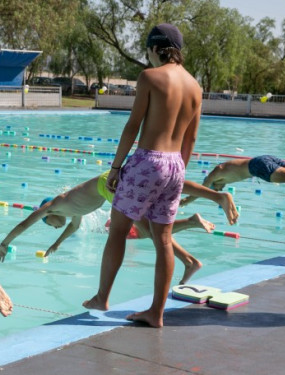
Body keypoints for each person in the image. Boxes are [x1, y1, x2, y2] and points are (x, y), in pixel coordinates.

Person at [81, 23, 201, 328]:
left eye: (147, 51)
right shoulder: (195, 87)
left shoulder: (150, 77)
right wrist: (178, 176)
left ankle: (102, 297)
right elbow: (191, 139)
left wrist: (116, 167)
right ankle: (156, 312)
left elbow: (133, 126)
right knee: (163, 239)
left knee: (118, 230)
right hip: (176, 164)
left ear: (156, 48)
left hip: (148, 160)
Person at [0, 170, 238, 284]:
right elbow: (74, 227)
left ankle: (189, 260)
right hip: (108, 186)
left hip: (108, 187)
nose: (54, 227)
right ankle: (213, 202)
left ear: (48, 215)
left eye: (51, 227)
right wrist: (56, 244)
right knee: (164, 187)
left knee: (150, 230)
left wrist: (5, 243)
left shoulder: (55, 205)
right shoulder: (71, 212)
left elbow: (25, 222)